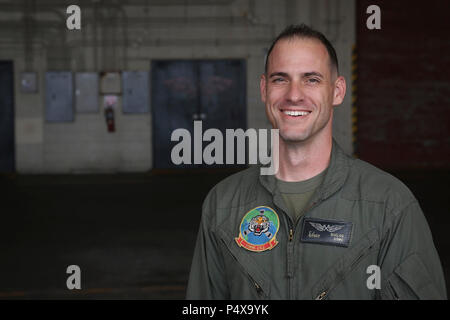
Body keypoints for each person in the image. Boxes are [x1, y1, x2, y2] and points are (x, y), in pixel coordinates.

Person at [186, 24, 447, 299]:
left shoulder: (390, 205)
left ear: (337, 91)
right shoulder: (223, 203)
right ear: (264, 89)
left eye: (311, 79)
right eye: (280, 79)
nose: (294, 94)